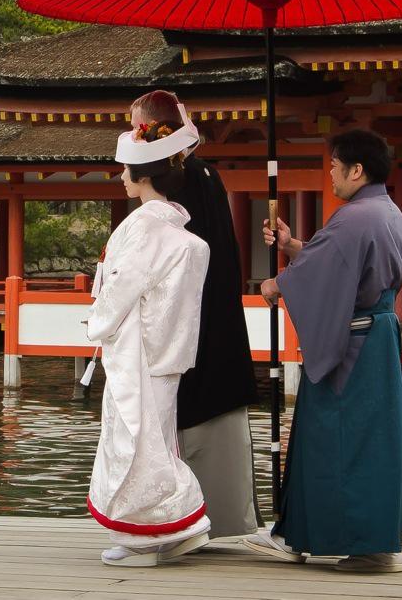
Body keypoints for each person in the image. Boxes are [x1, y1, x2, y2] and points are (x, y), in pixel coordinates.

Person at [247, 129, 402, 573]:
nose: (331, 175)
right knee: (370, 442)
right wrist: (291, 246)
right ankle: (357, 539)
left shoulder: (353, 217)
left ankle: (348, 541)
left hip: (350, 348)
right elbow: (335, 261)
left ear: (358, 170)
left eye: (335, 167)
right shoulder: (386, 211)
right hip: (376, 338)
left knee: (333, 439)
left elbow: (325, 269)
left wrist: (277, 283)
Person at [129, 90, 261, 539]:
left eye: (135, 126)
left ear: (153, 129)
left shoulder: (184, 180)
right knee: (206, 405)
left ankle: (189, 518)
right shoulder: (204, 174)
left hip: (189, 312)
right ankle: (219, 517)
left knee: (188, 409)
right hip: (213, 309)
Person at [85, 116, 212, 567]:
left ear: (143, 177)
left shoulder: (139, 229)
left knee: (134, 442)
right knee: (155, 436)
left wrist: (96, 322)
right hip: (169, 350)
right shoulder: (186, 238)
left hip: (137, 352)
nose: (121, 177)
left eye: (125, 171)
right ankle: (165, 529)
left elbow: (120, 288)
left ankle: (155, 532)